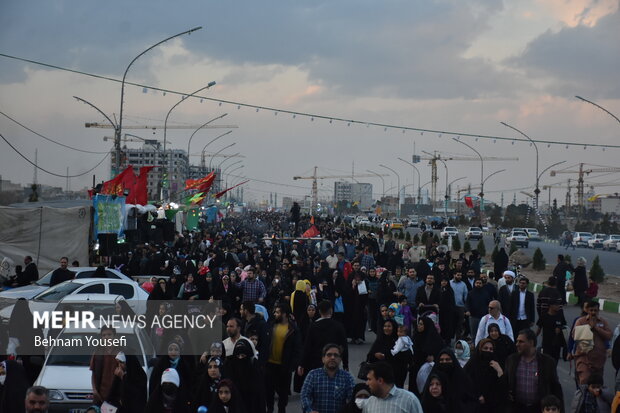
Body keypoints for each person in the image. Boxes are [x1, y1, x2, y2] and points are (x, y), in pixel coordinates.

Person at [504, 329, 563, 413]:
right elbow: (505, 382)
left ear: (531, 343)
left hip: (538, 408)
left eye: (521, 342)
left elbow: (556, 388)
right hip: (517, 408)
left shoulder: (547, 362)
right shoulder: (511, 360)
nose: (517, 344)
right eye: (517, 341)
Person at [299, 300, 349, 380]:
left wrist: (302, 364)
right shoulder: (338, 326)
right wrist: (345, 364)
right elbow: (344, 346)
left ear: (319, 312)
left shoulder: (313, 326)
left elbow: (307, 346)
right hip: (333, 360)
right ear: (331, 310)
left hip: (316, 361)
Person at [265, 302, 301, 413]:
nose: (275, 314)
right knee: (268, 391)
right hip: (269, 364)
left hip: (284, 366)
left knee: (283, 393)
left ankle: (281, 409)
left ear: (284, 314)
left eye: (277, 312)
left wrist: (292, 365)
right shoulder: (271, 325)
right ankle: (270, 409)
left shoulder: (293, 329)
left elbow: (297, 349)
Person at [301, 344, 355, 413]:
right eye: (329, 355)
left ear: (340, 359)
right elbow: (305, 395)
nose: (332, 357)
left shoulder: (347, 377)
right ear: (323, 359)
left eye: (336, 355)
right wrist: (309, 410)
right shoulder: (313, 375)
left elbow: (352, 399)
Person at [571, 300, 612, 385]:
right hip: (584, 359)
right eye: (591, 310)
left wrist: (597, 328)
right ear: (587, 310)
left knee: (597, 385)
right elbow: (575, 336)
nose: (593, 312)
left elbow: (609, 335)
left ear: (598, 311)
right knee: (585, 381)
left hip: (599, 361)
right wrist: (588, 327)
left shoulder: (603, 322)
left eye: (595, 310)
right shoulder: (580, 321)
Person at [463, 338, 507, 413]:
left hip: (492, 407)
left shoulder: (495, 366)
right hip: (474, 406)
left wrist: (499, 370)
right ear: (479, 349)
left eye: (491, 349)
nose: (488, 351)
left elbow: (502, 387)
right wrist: (478, 395)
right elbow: (465, 383)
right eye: (485, 348)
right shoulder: (472, 365)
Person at [223, 339, 265, 413]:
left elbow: (260, 398)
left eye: (243, 355)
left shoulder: (255, 370)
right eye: (238, 356)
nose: (240, 358)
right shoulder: (230, 369)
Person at [409, 316, 443, 394]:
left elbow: (440, 352)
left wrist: (433, 357)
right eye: (419, 324)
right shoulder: (416, 337)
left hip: (429, 370)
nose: (419, 326)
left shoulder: (435, 339)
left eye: (421, 324)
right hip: (416, 369)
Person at [89, 327, 121, 405]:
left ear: (115, 336)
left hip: (118, 393)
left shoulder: (121, 351)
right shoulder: (98, 353)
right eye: (104, 335)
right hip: (101, 394)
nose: (106, 337)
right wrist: (95, 390)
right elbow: (94, 373)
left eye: (109, 334)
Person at [535, 298, 567, 363]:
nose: (558, 306)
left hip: (557, 345)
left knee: (554, 363)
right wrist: (533, 338)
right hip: (546, 345)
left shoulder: (560, 316)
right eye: (556, 305)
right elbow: (538, 329)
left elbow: (565, 328)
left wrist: (560, 330)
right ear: (551, 306)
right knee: (546, 363)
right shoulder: (544, 316)